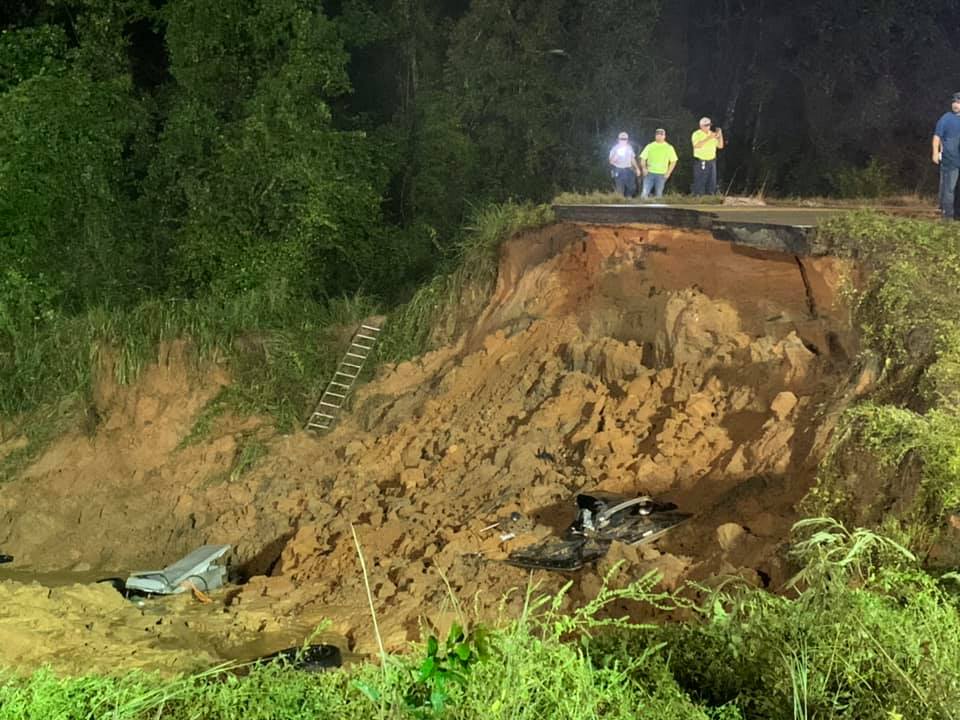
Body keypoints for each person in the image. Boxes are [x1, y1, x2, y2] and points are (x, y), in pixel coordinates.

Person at [933, 92, 960, 220]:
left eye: (958, 102)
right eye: (954, 102)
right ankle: (947, 217)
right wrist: (935, 152)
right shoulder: (946, 118)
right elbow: (937, 136)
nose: (955, 104)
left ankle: (956, 215)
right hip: (950, 159)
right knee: (948, 189)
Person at [639, 129, 678, 199]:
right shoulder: (650, 146)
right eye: (658, 135)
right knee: (644, 193)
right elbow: (643, 158)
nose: (659, 136)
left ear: (664, 136)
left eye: (661, 135)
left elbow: (673, 161)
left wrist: (668, 172)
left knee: (659, 194)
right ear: (655, 136)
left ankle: (658, 205)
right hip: (649, 173)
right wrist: (644, 168)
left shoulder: (669, 147)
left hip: (662, 174)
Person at [690, 116, 724, 196]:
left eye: (709, 125)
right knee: (700, 182)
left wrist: (720, 136)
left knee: (712, 182)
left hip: (712, 161)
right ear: (701, 126)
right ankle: (698, 197)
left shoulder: (712, 134)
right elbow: (696, 145)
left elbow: (720, 146)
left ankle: (710, 197)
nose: (708, 127)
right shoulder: (696, 134)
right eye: (706, 125)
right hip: (701, 161)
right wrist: (708, 138)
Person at [609, 131, 640, 197]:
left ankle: (628, 199)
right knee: (620, 189)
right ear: (618, 139)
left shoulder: (629, 147)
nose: (623, 140)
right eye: (621, 139)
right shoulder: (615, 148)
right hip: (618, 170)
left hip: (629, 169)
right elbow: (611, 162)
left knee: (632, 188)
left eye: (625, 139)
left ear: (627, 140)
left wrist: (637, 169)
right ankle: (621, 200)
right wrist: (617, 154)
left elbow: (632, 159)